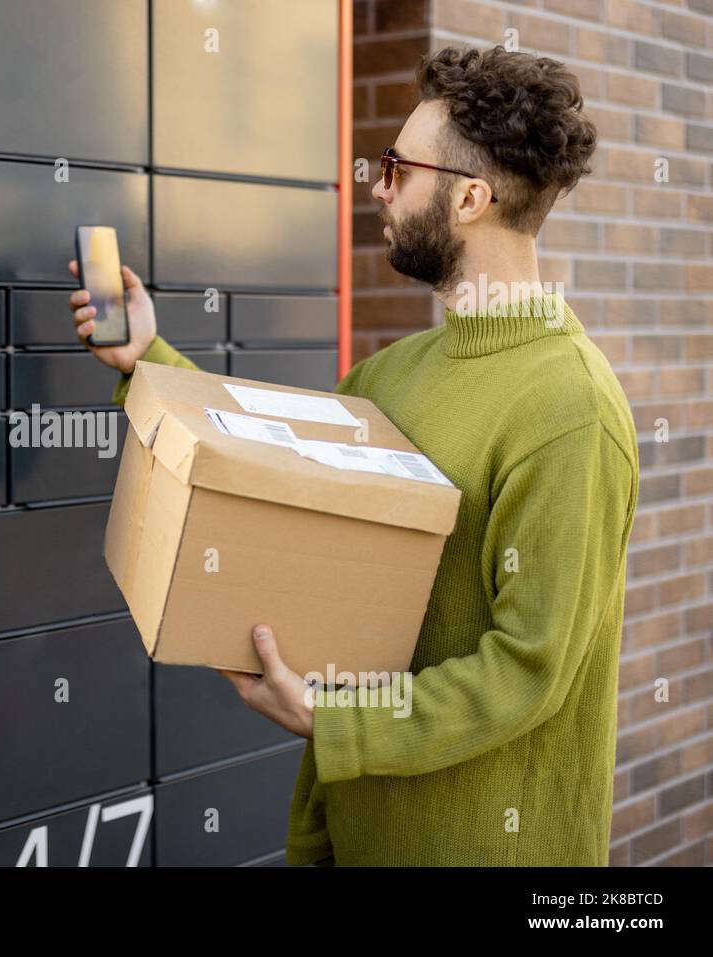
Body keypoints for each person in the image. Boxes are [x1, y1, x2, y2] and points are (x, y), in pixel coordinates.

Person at [66, 46, 638, 866]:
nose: (377, 185)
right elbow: (283, 471)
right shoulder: (393, 373)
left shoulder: (570, 410)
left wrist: (336, 719)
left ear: (471, 198)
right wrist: (148, 358)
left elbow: (525, 674)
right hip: (354, 837)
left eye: (397, 168)